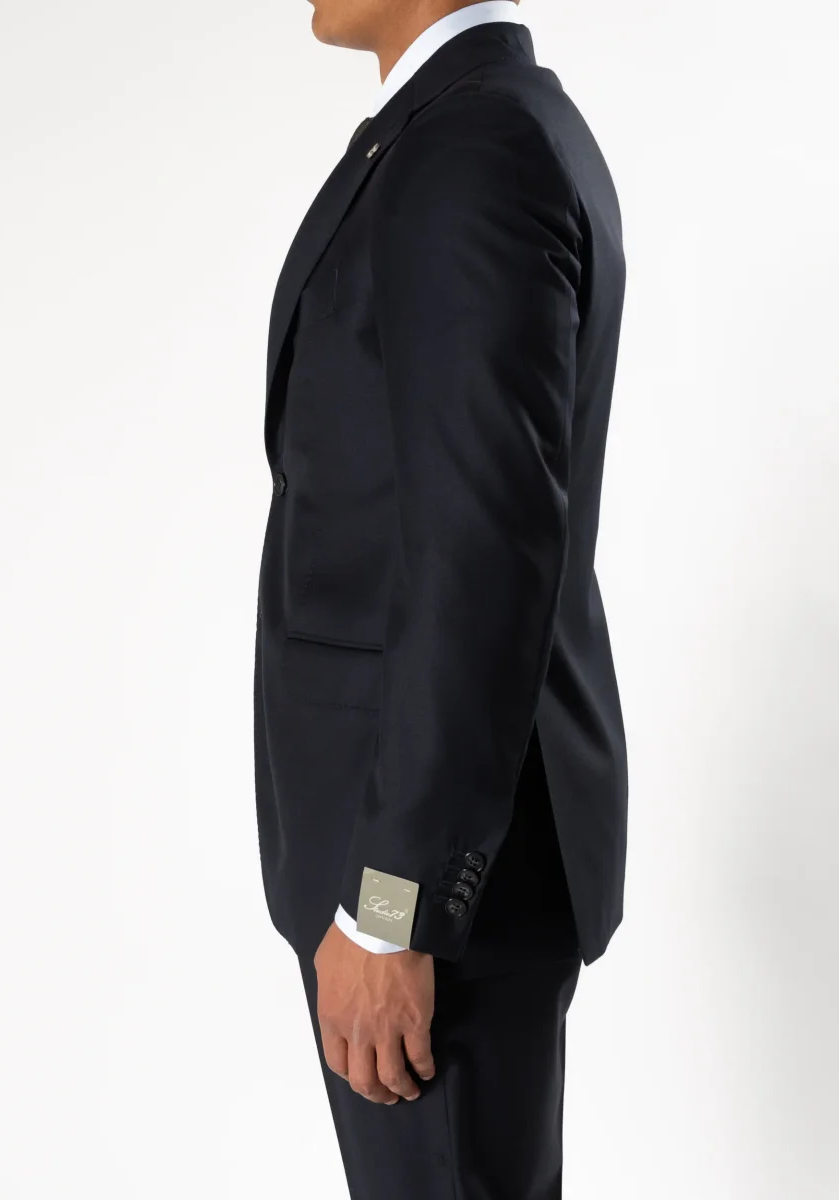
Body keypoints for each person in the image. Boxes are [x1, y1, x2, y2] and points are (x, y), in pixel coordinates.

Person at [253, 1, 628, 1193]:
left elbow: (482, 550)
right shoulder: (466, 130)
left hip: (427, 882)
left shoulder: (472, 151)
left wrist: (392, 909)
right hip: (425, 851)